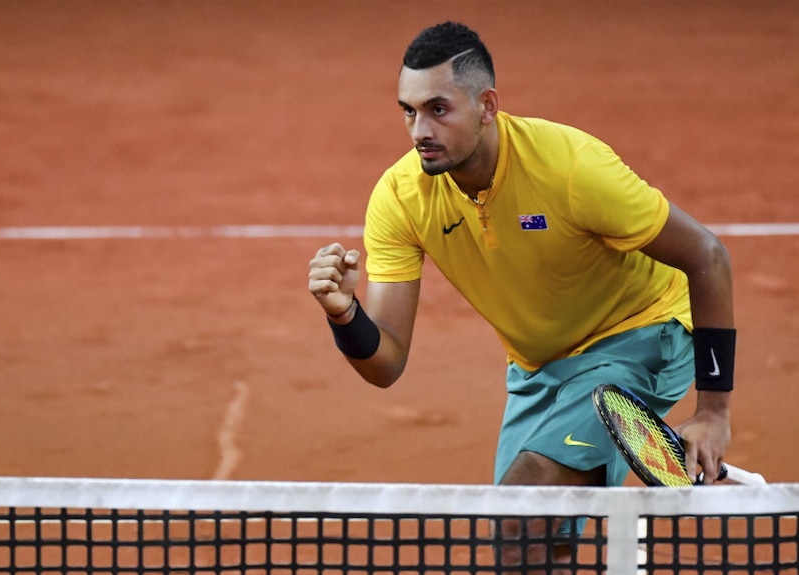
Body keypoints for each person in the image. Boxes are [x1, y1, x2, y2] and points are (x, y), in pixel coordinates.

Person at [307, 21, 735, 571]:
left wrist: (715, 411)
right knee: (523, 545)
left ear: (486, 105)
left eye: (439, 109)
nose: (418, 130)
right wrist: (345, 315)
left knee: (523, 508)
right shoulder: (400, 196)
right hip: (539, 368)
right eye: (408, 111)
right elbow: (386, 361)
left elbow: (707, 256)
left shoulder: (570, 166)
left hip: (640, 335)